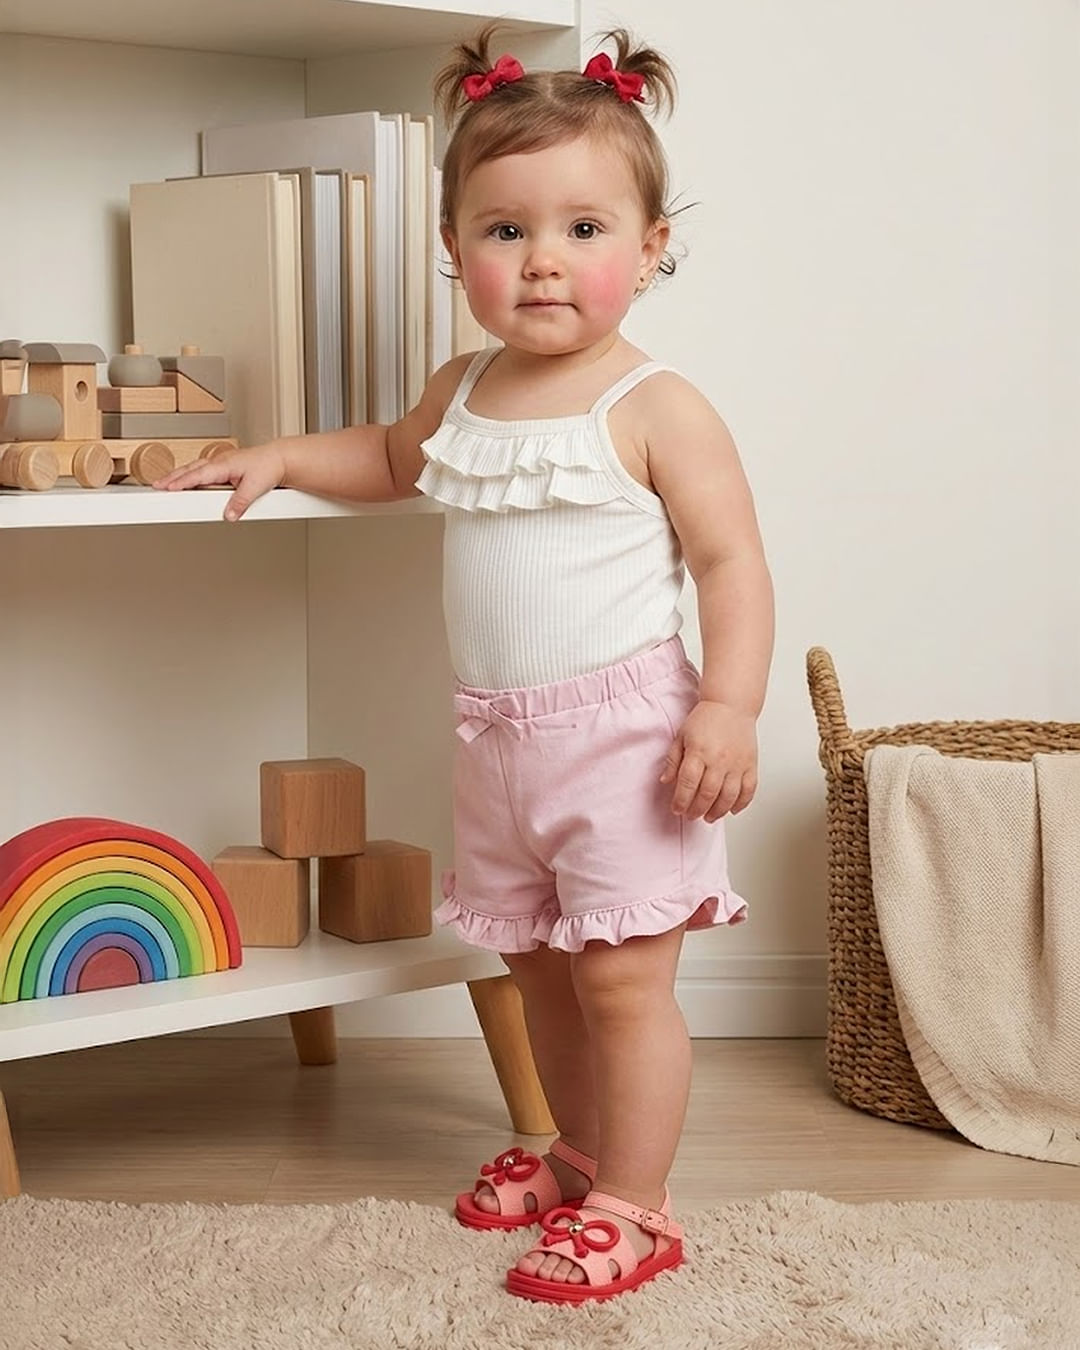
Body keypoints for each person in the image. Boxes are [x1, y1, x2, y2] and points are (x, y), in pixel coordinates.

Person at [154, 24, 774, 1305]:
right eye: (505, 230)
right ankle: (579, 1149)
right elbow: (390, 457)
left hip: (629, 746)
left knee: (623, 982)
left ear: (650, 247)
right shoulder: (466, 389)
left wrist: (728, 704)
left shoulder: (657, 408)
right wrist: (281, 456)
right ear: (455, 250)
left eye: (584, 229)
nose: (543, 258)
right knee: (537, 968)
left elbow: (731, 566)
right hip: (497, 743)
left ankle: (638, 1205)